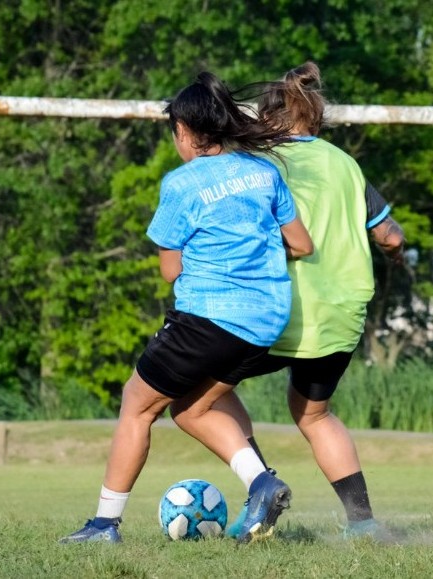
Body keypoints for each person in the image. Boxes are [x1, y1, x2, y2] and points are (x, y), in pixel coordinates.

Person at [59, 71, 313, 545]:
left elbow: (171, 271)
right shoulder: (264, 172)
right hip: (264, 322)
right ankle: (262, 483)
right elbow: (300, 244)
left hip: (208, 316)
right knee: (192, 408)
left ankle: (103, 525)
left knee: (137, 404)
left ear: (185, 130)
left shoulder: (182, 184)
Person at [169, 62, 406, 543]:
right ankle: (362, 523)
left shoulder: (260, 164)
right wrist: (393, 253)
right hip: (342, 315)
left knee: (196, 393)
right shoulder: (346, 164)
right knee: (314, 414)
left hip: (275, 312)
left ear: (268, 120)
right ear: (314, 122)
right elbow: (390, 235)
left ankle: (261, 485)